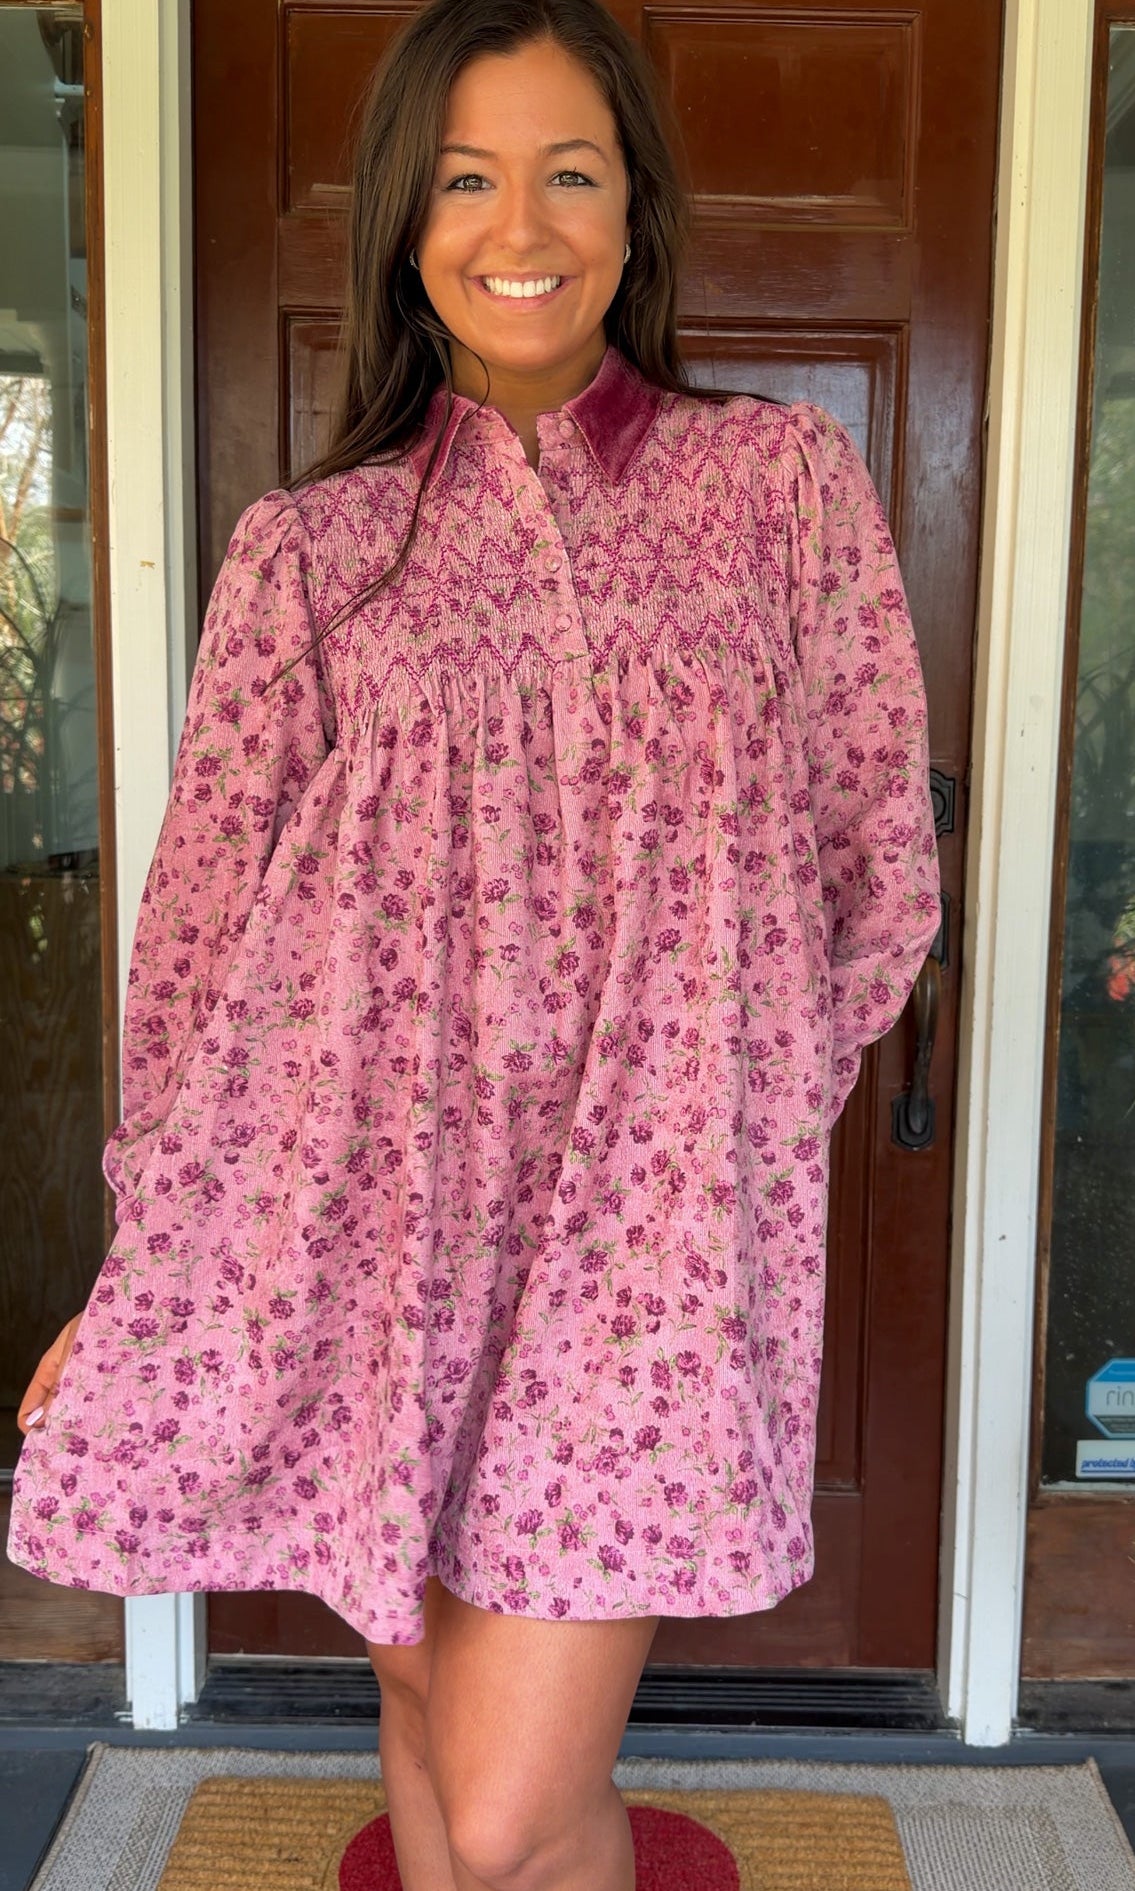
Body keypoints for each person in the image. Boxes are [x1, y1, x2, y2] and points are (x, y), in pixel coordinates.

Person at [8, 0, 942, 1884]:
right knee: (432, 1727)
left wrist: (730, 1120)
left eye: (570, 170)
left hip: (645, 1243)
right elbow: (196, 954)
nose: (520, 222)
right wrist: (154, 1247)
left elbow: (878, 862)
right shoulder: (313, 554)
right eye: (466, 175)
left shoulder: (778, 495)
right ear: (406, 221)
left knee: (515, 1810)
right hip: (370, 1227)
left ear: (634, 209)